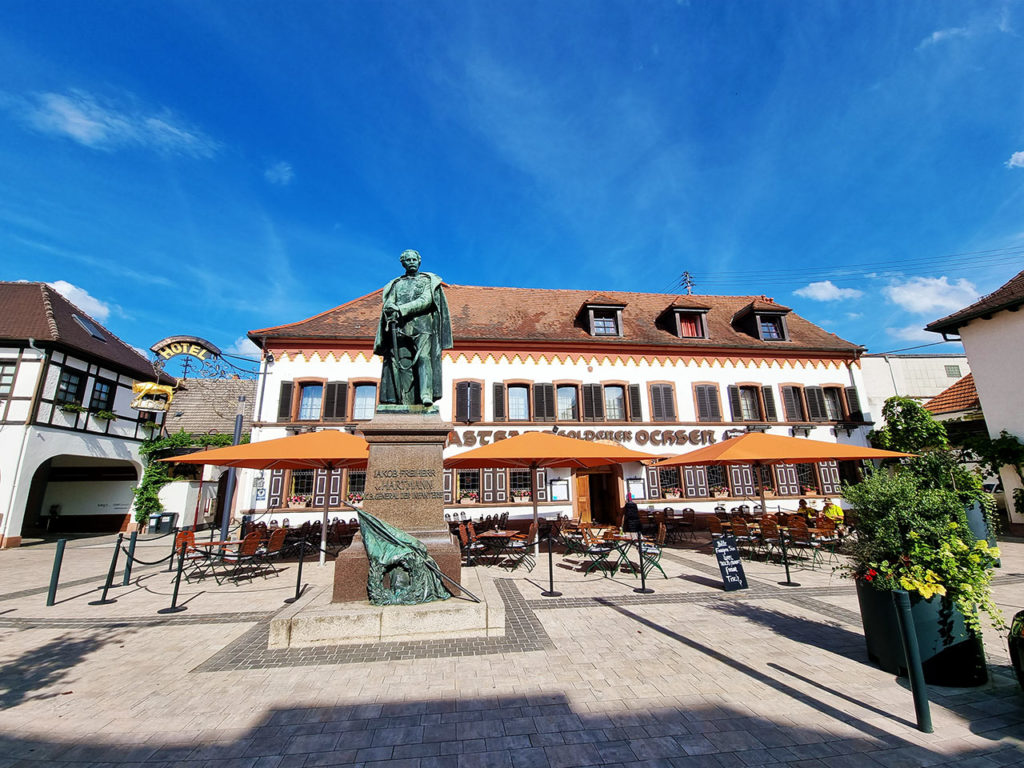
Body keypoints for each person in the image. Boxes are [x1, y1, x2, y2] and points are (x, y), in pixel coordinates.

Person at [373, 250, 453, 407]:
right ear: (403, 263)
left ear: (419, 261)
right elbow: (389, 302)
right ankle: (405, 398)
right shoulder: (396, 284)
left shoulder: (427, 281)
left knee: (424, 358)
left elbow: (425, 301)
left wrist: (400, 309)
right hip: (400, 328)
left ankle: (425, 394)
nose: (411, 262)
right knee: (401, 361)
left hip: (423, 326)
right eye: (407, 260)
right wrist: (389, 307)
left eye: (414, 259)